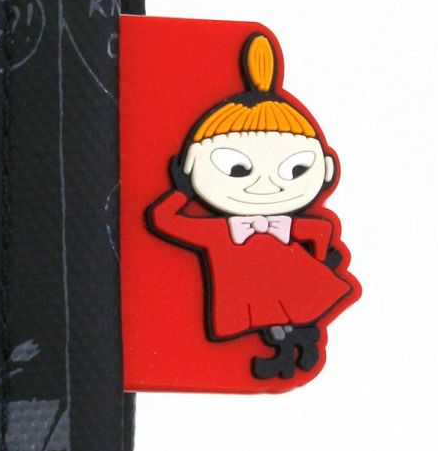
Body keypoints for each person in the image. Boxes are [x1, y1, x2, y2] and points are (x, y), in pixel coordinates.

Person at [149, 33, 356, 380]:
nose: (265, 184)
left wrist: (320, 257)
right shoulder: (219, 232)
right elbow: (163, 220)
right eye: (236, 169)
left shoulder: (225, 232)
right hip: (251, 295)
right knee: (276, 322)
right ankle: (293, 348)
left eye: (295, 170)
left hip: (281, 285)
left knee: (287, 316)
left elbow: (321, 230)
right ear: (192, 164)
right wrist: (182, 192)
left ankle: (293, 347)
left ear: (326, 170)